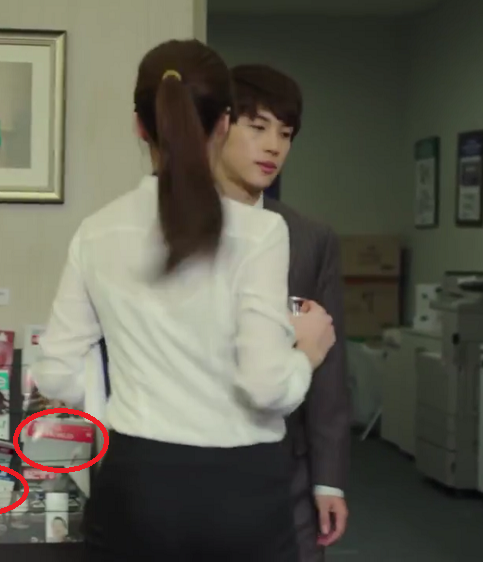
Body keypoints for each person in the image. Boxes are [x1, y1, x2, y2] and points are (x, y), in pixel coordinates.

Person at [30, 39, 337, 561]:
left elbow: (56, 374)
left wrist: (128, 406)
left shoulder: (97, 232)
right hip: (242, 490)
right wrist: (307, 352)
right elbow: (266, 387)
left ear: (139, 125)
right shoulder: (260, 232)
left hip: (133, 482)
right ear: (224, 124)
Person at [215, 63, 351, 561]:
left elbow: (330, 366)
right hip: (195, 458)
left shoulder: (310, 238)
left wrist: (329, 481)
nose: (274, 146)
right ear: (220, 126)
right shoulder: (176, 228)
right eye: (258, 127)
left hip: (284, 465)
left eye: (286, 134)